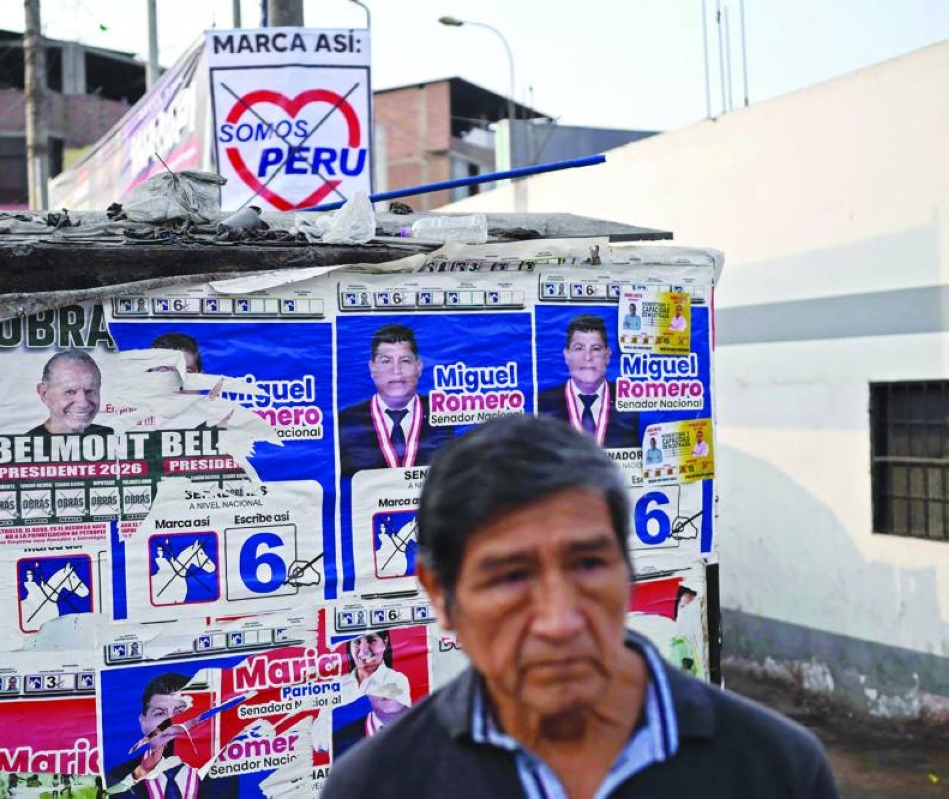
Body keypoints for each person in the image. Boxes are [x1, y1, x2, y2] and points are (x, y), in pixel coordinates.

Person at [323, 416, 837, 799]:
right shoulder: (376, 787)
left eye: (588, 564)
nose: (559, 620)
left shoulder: (776, 769)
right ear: (440, 595)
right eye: (510, 577)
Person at [338, 324, 455, 477]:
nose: (396, 370)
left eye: (405, 361)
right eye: (386, 361)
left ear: (419, 367)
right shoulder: (347, 422)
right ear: (372, 368)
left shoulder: (445, 415)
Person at [537, 314, 640, 449]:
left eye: (595, 348)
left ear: (607, 355)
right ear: (567, 356)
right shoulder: (544, 404)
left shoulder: (630, 401)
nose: (587, 357)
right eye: (579, 348)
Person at [105, 673, 200, 798]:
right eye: (160, 713)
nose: (170, 723)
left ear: (198, 719)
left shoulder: (226, 774)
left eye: (180, 712)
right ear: (143, 723)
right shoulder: (114, 780)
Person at [28, 350, 113, 435]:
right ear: (44, 393)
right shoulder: (25, 445)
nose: (83, 404)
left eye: (89, 391)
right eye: (70, 391)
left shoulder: (109, 436)